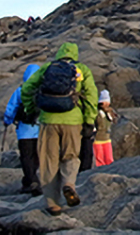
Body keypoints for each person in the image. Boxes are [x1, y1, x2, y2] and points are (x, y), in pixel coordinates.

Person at [21, 42, 98, 216]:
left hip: (48, 120)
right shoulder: (82, 70)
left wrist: (31, 109)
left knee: (48, 161)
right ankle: (69, 184)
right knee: (70, 156)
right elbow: (92, 96)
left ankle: (52, 203)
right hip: (73, 120)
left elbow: (27, 88)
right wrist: (89, 121)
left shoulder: (48, 68)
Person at [4, 64, 42, 195]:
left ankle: (31, 180)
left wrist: (7, 120)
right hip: (39, 129)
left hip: (24, 131)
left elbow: (11, 107)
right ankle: (30, 180)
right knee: (36, 156)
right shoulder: (42, 89)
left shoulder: (21, 90)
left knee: (26, 156)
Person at [93, 90, 116, 167]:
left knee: (109, 159)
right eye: (104, 101)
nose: (106, 104)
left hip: (107, 139)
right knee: (99, 160)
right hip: (97, 139)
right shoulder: (97, 113)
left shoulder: (110, 112)